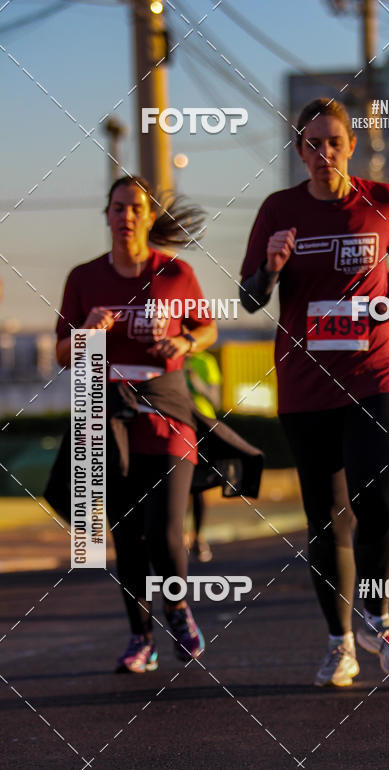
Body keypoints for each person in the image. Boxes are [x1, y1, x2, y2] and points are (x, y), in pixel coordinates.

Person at [240, 97, 389, 687]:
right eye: (312, 144)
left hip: (377, 371)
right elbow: (248, 298)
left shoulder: (385, 201)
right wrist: (271, 267)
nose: (324, 154)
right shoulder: (278, 209)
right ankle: (340, 642)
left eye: (334, 143)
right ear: (300, 152)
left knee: (383, 502)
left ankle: (380, 617)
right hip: (306, 381)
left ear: (350, 147)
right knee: (326, 520)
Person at [55, 175, 216, 672]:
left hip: (167, 411)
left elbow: (207, 327)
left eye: (136, 209)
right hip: (110, 414)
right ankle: (140, 637)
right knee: (127, 535)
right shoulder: (84, 278)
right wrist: (86, 333)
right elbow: (64, 355)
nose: (126, 216)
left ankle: (178, 607)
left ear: (149, 218)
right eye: (118, 207)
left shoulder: (176, 272)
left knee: (164, 530)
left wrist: (185, 343)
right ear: (107, 215)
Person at [184, 350, 223, 562]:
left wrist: (196, 382)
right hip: (178, 425)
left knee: (198, 486)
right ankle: (177, 537)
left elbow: (215, 400)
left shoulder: (205, 361)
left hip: (203, 428)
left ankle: (198, 537)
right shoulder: (171, 357)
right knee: (177, 487)